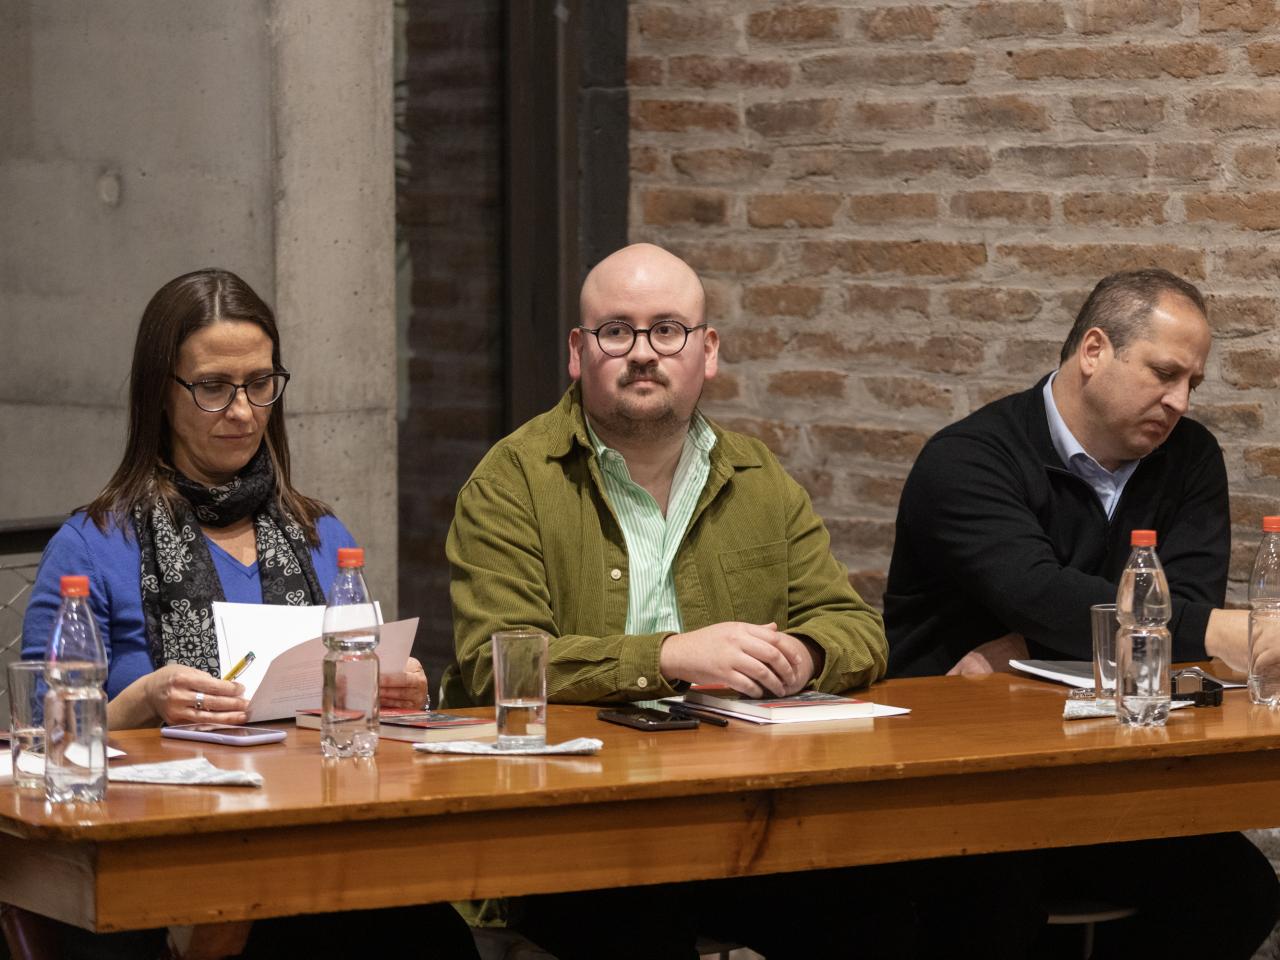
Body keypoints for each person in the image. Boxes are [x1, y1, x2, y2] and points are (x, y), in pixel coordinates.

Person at [444, 243, 908, 960]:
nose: (642, 353)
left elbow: (854, 627)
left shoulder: (758, 478)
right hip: (571, 823)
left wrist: (805, 653)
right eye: (615, 332)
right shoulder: (513, 481)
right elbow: (495, 664)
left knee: (913, 899)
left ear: (707, 350)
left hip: (738, 811)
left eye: (667, 330)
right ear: (577, 352)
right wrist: (669, 657)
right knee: (638, 918)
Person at [22, 268, 478, 960]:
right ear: (161, 393)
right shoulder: (94, 544)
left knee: (431, 932)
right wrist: (143, 700)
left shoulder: (321, 536)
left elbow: (356, 727)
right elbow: (36, 745)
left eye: (260, 384)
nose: (241, 411)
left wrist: (392, 697)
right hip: (157, 855)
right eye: (212, 388)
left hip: (311, 843)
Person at [883, 268, 1279, 958]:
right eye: (1164, 373)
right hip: (964, 782)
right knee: (992, 909)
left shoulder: (1189, 458)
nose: (1180, 401)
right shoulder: (968, 459)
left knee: (1239, 894)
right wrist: (1215, 630)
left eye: (1192, 383)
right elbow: (1039, 591)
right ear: (1094, 350)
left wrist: (1027, 646)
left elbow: (1172, 619)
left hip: (1108, 771)